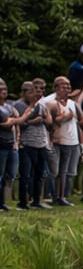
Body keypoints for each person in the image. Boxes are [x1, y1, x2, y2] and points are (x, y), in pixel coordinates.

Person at [46, 75, 83, 205]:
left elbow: (81, 123)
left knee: (64, 171)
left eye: (68, 85)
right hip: (54, 142)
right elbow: (49, 122)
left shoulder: (72, 103)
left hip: (70, 141)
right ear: (55, 87)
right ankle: (52, 196)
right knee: (54, 171)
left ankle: (61, 197)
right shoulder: (48, 101)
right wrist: (64, 117)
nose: (67, 88)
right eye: (63, 85)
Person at [17, 81, 52, 209]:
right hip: (27, 144)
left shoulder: (42, 106)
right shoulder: (19, 105)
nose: (35, 94)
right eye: (31, 92)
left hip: (41, 143)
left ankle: (36, 200)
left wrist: (44, 118)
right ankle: (23, 202)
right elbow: (20, 124)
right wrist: (33, 120)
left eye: (36, 92)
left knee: (39, 175)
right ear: (24, 92)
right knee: (25, 175)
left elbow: (49, 124)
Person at [0, 79, 18, 210]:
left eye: (5, 87)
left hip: (10, 144)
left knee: (10, 174)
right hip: (1, 146)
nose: (3, 90)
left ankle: (3, 202)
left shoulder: (9, 106)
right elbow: (6, 124)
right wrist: (16, 119)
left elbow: (14, 123)